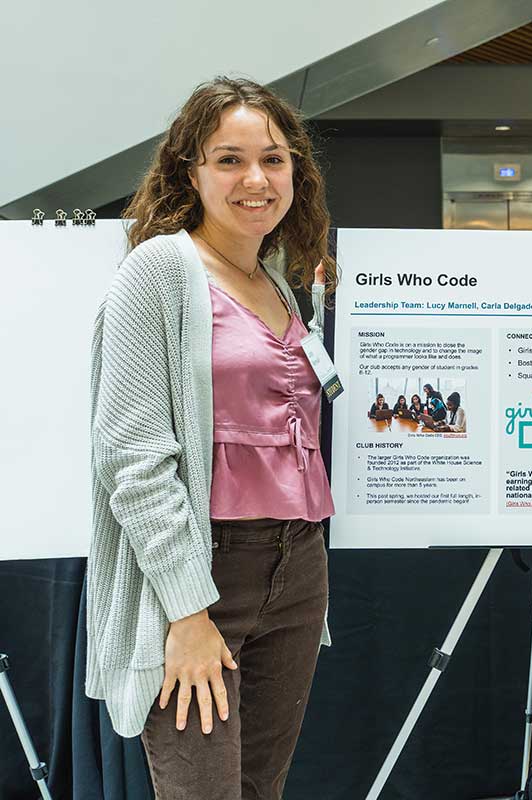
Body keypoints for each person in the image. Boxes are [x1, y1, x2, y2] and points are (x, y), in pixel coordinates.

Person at [86, 76, 338, 800]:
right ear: (189, 171)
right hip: (202, 576)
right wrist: (187, 612)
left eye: (274, 159)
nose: (256, 179)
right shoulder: (158, 271)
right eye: (229, 159)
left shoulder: (277, 282)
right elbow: (132, 460)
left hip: (297, 567)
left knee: (261, 791)